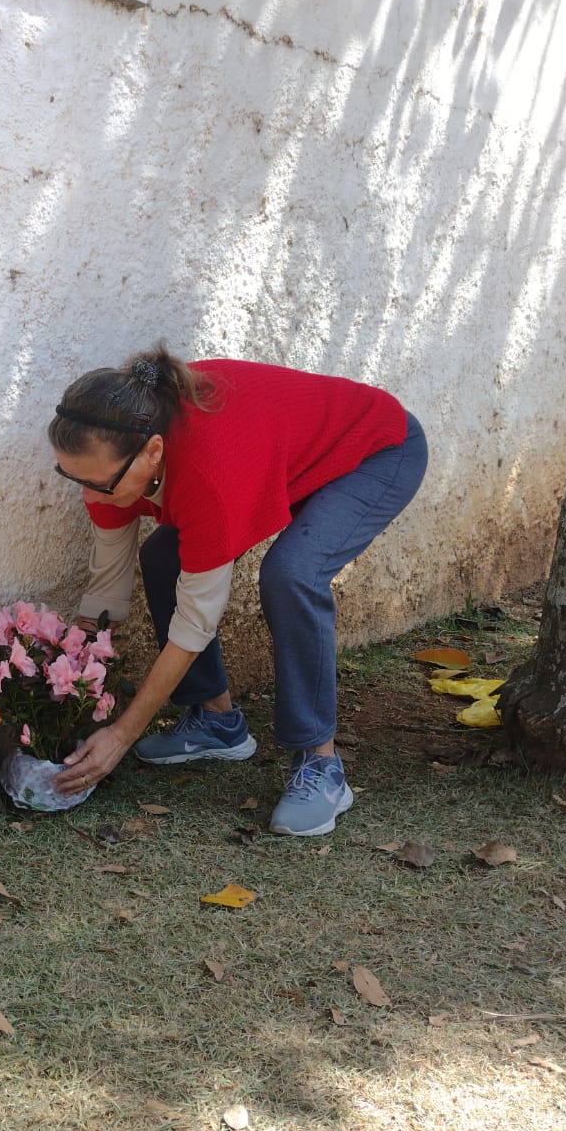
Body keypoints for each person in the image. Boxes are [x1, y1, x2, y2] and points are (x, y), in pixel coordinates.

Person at [47, 344, 427, 835]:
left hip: (378, 448)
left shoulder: (206, 473)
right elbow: (105, 592)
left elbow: (195, 623)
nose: (87, 495)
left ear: (154, 453)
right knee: (162, 556)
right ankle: (217, 722)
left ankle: (322, 763)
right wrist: (69, 680)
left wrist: (121, 735)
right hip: (287, 457)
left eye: (96, 484)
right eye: (72, 478)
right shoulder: (109, 466)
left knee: (292, 574)